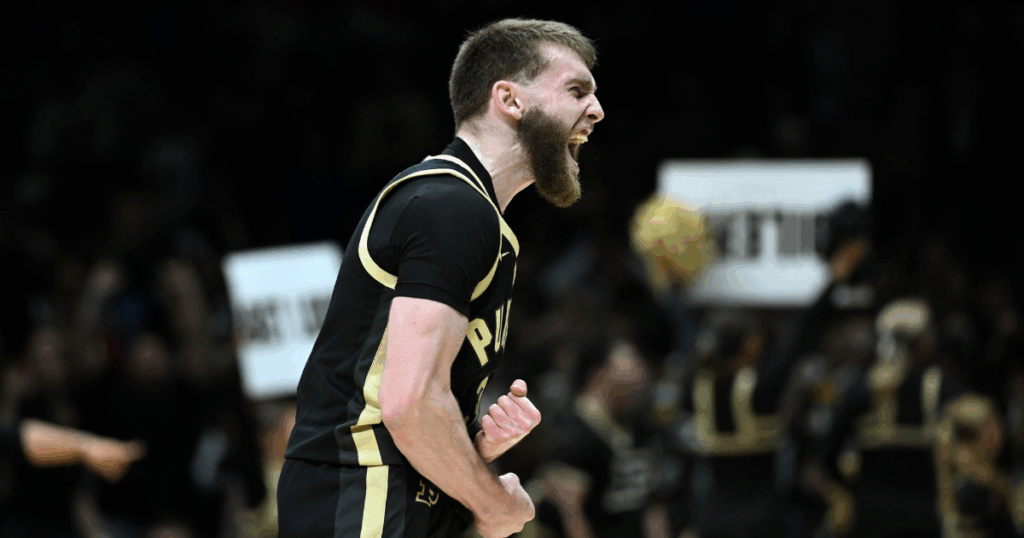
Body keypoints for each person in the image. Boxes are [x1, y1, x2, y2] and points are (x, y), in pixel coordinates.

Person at [277, 17, 605, 538]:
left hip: (397, 503)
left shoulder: (478, 218)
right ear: (510, 100)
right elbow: (407, 405)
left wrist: (471, 440)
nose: (597, 110)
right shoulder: (452, 206)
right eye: (576, 90)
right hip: (364, 498)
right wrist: (494, 501)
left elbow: (400, 396)